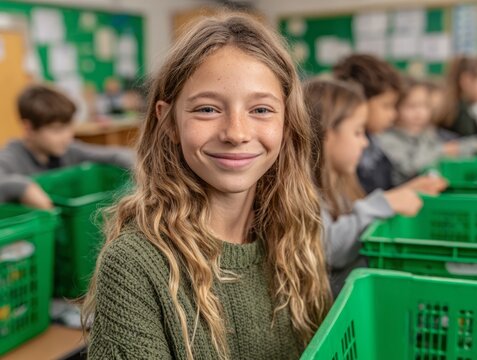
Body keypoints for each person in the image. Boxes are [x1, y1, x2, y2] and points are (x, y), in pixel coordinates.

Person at [82, 14, 332, 359]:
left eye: (260, 109)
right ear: (169, 122)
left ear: (286, 123)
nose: (236, 133)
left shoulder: (296, 232)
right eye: (208, 109)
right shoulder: (134, 266)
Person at [304, 78, 422, 295]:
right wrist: (385, 203)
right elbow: (329, 248)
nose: (365, 142)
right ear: (327, 135)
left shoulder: (342, 181)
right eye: (358, 132)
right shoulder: (304, 192)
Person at [0, 84, 134, 209]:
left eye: (69, 127)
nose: (67, 137)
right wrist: (23, 188)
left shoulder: (69, 150)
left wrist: (140, 166)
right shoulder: (12, 157)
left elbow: (116, 155)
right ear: (28, 128)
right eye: (56, 130)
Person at [333, 54, 448, 193]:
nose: (393, 114)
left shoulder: (374, 143)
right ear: (361, 101)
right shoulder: (347, 152)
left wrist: (411, 188)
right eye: (386, 106)